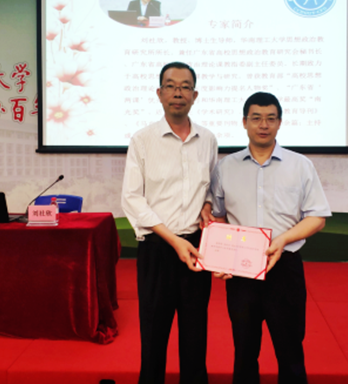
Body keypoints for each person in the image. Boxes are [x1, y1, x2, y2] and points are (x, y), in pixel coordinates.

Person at [205, 92, 331, 384]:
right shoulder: (226, 167)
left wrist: (282, 240)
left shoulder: (300, 165)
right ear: (244, 122)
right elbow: (218, 216)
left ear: (279, 123)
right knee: (244, 350)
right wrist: (219, 257)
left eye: (270, 119)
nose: (263, 125)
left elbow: (317, 217)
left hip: (284, 268)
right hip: (241, 271)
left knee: (290, 349)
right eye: (256, 118)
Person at [121, 61, 218, 384]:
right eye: (171, 86)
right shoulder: (142, 139)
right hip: (157, 249)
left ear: (195, 95)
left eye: (185, 86)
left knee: (195, 336)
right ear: (159, 93)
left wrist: (207, 205)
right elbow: (132, 199)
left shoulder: (208, 139)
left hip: (196, 249)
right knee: (154, 334)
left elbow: (211, 185)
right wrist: (174, 240)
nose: (178, 93)